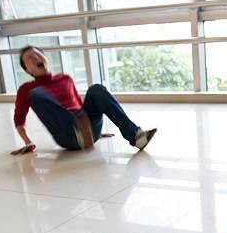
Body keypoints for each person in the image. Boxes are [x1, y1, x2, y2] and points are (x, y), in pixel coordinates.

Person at [10, 45, 156, 155]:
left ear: (45, 58)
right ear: (27, 71)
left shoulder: (65, 78)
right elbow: (19, 120)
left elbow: (78, 104)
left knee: (96, 89)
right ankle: (79, 127)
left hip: (87, 126)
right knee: (35, 94)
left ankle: (136, 137)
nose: (36, 57)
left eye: (38, 54)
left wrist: (95, 130)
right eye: (30, 57)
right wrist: (28, 141)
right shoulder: (27, 90)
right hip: (65, 133)